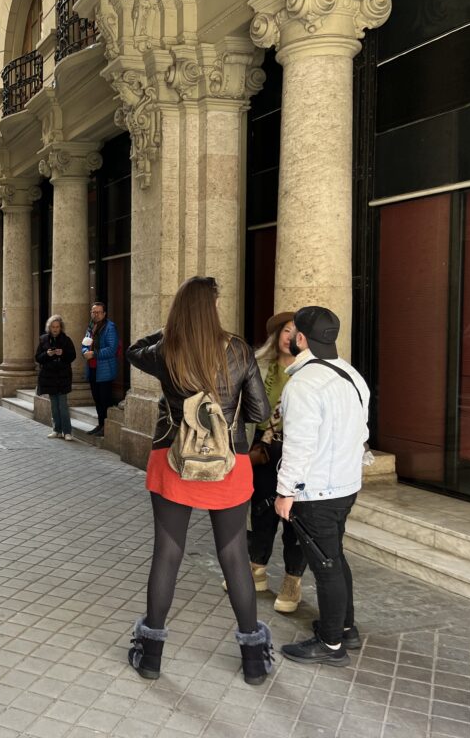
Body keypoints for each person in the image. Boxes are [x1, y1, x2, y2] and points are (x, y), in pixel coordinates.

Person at [126, 277, 272, 685]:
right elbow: (259, 411)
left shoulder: (166, 350)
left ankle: (151, 655)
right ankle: (254, 658)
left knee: (167, 553)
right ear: (214, 308)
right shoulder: (240, 349)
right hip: (229, 461)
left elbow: (133, 350)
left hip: (174, 458)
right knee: (234, 555)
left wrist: (169, 332)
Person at [276, 306, 370, 667]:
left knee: (326, 564)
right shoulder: (352, 375)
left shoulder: (303, 383)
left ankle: (331, 644)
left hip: (316, 491)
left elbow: (298, 444)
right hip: (345, 485)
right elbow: (362, 432)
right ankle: (345, 627)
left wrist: (286, 492)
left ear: (300, 338)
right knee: (335, 555)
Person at [248, 311, 308, 613]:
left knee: (294, 518)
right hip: (264, 449)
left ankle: (291, 581)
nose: (290, 337)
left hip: (299, 452)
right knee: (260, 510)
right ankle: (256, 570)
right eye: (286, 330)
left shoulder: (311, 371)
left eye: (297, 332)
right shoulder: (259, 366)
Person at [35, 314, 77, 441]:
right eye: (53, 327)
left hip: (63, 376)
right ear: (49, 327)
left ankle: (67, 431)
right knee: (54, 405)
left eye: (57, 327)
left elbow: (72, 356)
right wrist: (47, 354)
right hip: (49, 377)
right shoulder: (43, 340)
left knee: (63, 405)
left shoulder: (66, 340)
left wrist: (63, 353)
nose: (55, 329)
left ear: (61, 328)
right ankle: (56, 430)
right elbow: (38, 358)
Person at [80, 301, 118, 437]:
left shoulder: (110, 327)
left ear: (104, 314)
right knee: (96, 399)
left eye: (98, 312)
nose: (95, 315)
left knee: (104, 400)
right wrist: (84, 352)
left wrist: (94, 354)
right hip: (92, 369)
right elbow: (85, 343)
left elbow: (112, 349)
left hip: (105, 370)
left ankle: (106, 427)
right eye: (93, 312)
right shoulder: (91, 327)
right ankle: (101, 424)